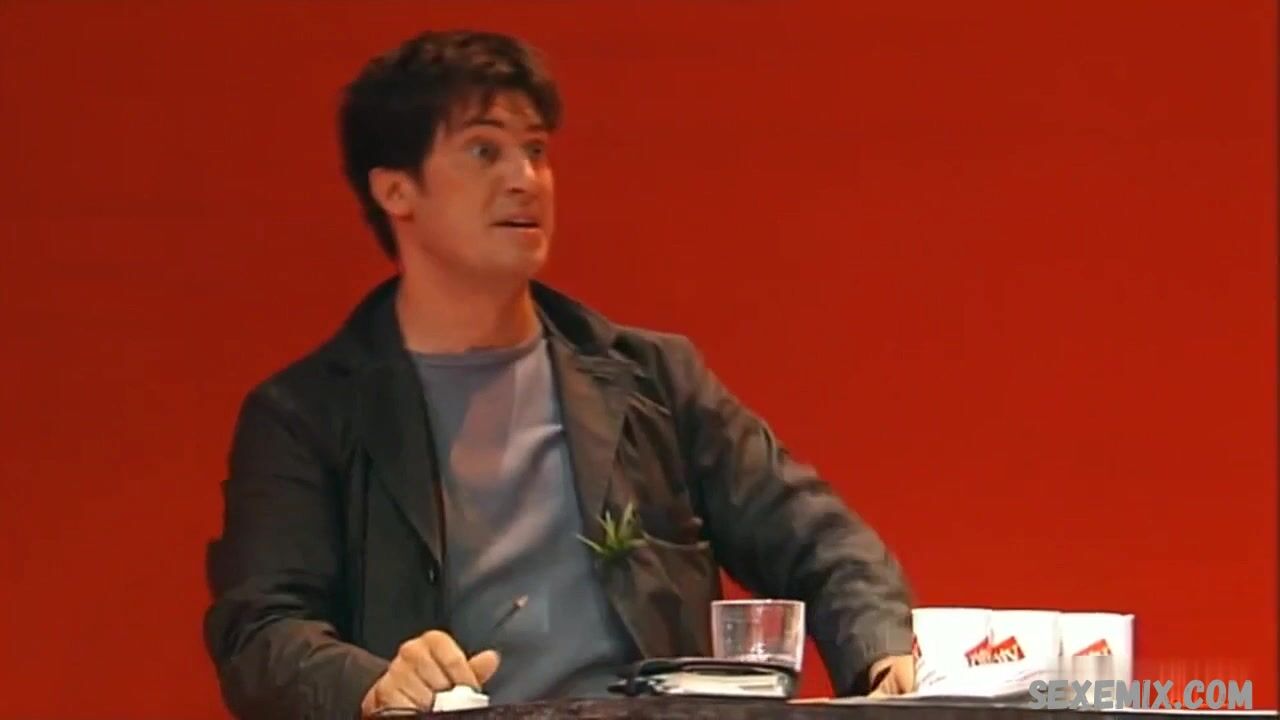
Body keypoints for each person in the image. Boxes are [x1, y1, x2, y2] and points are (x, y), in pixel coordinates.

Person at [202, 29, 916, 720]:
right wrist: (375, 683)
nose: (525, 179)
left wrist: (882, 657)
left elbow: (819, 539)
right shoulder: (306, 416)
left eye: (536, 151)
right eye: (484, 150)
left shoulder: (650, 378)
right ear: (396, 191)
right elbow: (260, 631)